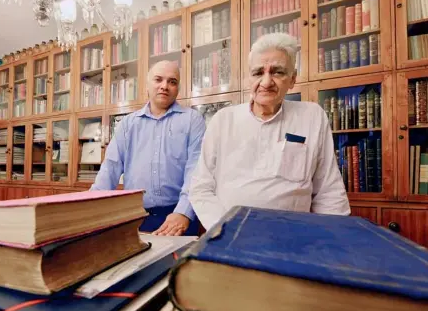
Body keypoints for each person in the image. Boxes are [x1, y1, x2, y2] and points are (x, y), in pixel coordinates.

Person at [189, 33, 350, 230]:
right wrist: (225, 229)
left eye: (277, 72)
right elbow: (200, 188)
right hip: (231, 235)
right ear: (249, 79)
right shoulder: (223, 120)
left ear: (292, 79)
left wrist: (335, 236)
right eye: (258, 73)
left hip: (293, 234)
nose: (266, 82)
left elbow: (328, 189)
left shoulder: (312, 116)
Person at [91, 60, 206, 236]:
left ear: (178, 88)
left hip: (177, 217)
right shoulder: (128, 124)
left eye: (172, 81)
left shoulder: (193, 120)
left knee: (177, 264)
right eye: (158, 79)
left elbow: (196, 171)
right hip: (134, 216)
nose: (164, 86)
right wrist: (88, 207)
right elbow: (110, 168)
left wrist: (183, 212)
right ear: (147, 85)